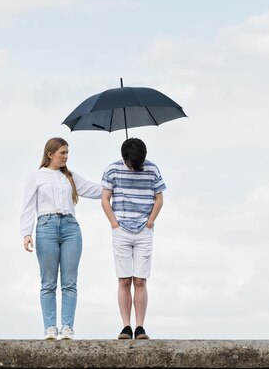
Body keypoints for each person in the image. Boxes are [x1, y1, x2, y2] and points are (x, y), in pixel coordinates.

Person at [20, 137, 101, 340]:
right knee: (48, 281)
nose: (66, 156)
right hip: (46, 227)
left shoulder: (70, 177)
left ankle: (67, 327)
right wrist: (26, 233)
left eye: (67, 153)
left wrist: (117, 183)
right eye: (62, 153)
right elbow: (28, 205)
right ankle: (50, 328)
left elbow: (95, 190)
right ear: (50, 154)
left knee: (69, 281)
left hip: (70, 228)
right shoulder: (37, 176)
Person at [101, 138, 165, 340]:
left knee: (140, 280)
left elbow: (159, 198)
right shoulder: (113, 169)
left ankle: (140, 327)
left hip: (144, 230)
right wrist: (114, 223)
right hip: (121, 229)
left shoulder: (152, 169)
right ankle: (126, 326)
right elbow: (105, 199)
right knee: (123, 280)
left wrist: (150, 221)